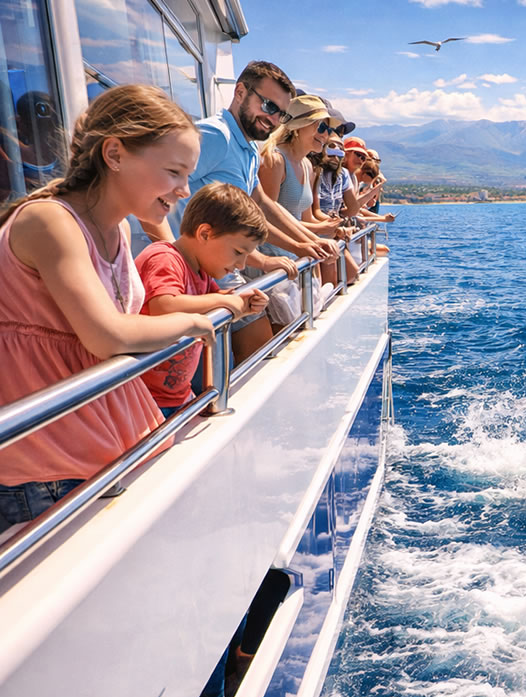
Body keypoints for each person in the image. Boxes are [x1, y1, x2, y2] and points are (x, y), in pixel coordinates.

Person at [0, 84, 212, 526]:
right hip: (48, 471)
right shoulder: (50, 221)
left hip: (99, 455)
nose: (185, 190)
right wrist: (191, 322)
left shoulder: (115, 229)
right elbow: (106, 335)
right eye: (174, 172)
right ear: (114, 154)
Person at [135, 61, 335, 362]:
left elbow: (261, 203)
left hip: (217, 273)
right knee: (256, 358)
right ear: (240, 91)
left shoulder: (249, 148)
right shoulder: (216, 136)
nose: (272, 119)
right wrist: (170, 253)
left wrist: (301, 245)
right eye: (267, 105)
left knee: (256, 360)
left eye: (280, 114)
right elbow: (148, 188)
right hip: (192, 276)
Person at [136, 183, 269, 417]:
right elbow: (163, 306)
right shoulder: (165, 258)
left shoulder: (202, 271)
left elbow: (212, 299)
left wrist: (244, 303)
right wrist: (227, 303)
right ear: (205, 233)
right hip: (143, 400)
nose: (241, 265)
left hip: (177, 396)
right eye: (238, 252)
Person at [257, 94, 353, 313]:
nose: (326, 136)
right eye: (321, 128)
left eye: (329, 130)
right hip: (275, 266)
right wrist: (313, 240)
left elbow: (305, 218)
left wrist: (320, 239)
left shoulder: (308, 166)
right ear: (299, 126)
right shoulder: (274, 160)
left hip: (301, 262)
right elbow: (265, 216)